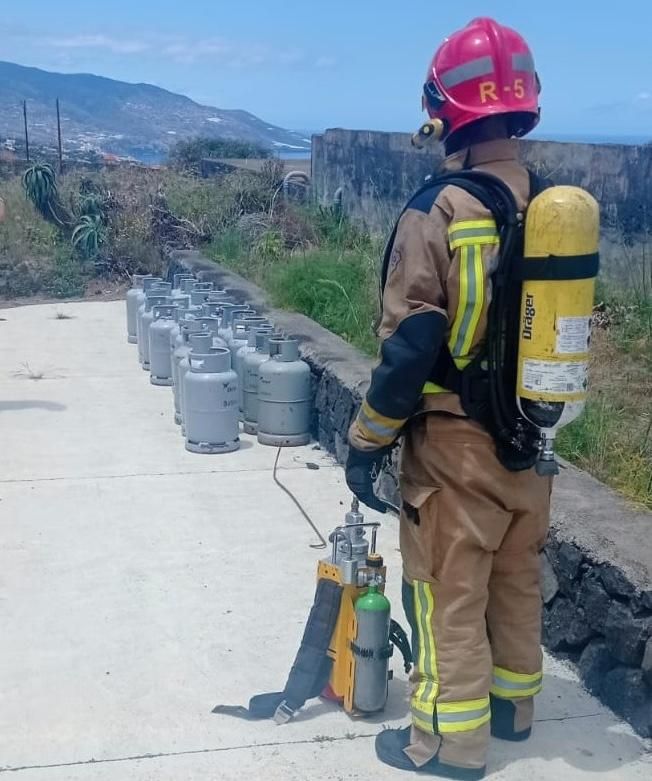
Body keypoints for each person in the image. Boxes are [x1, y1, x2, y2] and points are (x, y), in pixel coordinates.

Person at [346, 17, 551, 780]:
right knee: (515, 577)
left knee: (445, 592)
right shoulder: (557, 206)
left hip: (456, 447)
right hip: (536, 439)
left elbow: (408, 351)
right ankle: (515, 710)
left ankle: (447, 742)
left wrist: (366, 442)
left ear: (444, 110)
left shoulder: (439, 210)